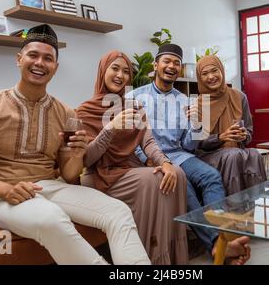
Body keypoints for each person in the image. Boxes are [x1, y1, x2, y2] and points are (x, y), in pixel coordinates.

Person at [0, 24, 150, 265]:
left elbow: (68, 175)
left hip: (50, 186)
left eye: (48, 58)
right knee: (51, 217)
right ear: (19, 59)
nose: (39, 63)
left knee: (118, 212)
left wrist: (78, 154)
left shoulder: (67, 113)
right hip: (2, 196)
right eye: (33, 55)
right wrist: (6, 190)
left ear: (55, 68)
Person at [126, 44, 251, 264]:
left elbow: (189, 146)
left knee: (211, 176)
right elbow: (129, 138)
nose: (171, 66)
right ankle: (217, 244)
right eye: (167, 61)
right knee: (185, 187)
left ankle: (221, 240)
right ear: (156, 65)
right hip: (152, 157)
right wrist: (147, 159)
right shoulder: (135, 96)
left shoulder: (187, 101)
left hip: (180, 155)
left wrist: (195, 124)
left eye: (176, 63)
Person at [76, 50, 188, 265]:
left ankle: (175, 260)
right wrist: (111, 128)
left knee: (177, 174)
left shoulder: (134, 106)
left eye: (126, 71)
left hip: (128, 169)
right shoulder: (85, 110)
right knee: (151, 180)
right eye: (115, 69)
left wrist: (165, 162)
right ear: (102, 71)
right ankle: (149, 258)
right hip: (100, 175)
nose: (121, 75)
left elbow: (148, 142)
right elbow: (86, 160)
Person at [196, 55, 267, 195]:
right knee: (233, 156)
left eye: (214, 71)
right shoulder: (197, 104)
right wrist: (221, 137)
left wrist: (244, 135)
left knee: (254, 154)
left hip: (236, 149)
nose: (211, 76)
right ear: (200, 77)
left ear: (221, 71)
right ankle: (234, 207)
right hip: (208, 154)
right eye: (205, 74)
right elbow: (197, 143)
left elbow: (249, 131)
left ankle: (256, 202)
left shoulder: (239, 97)